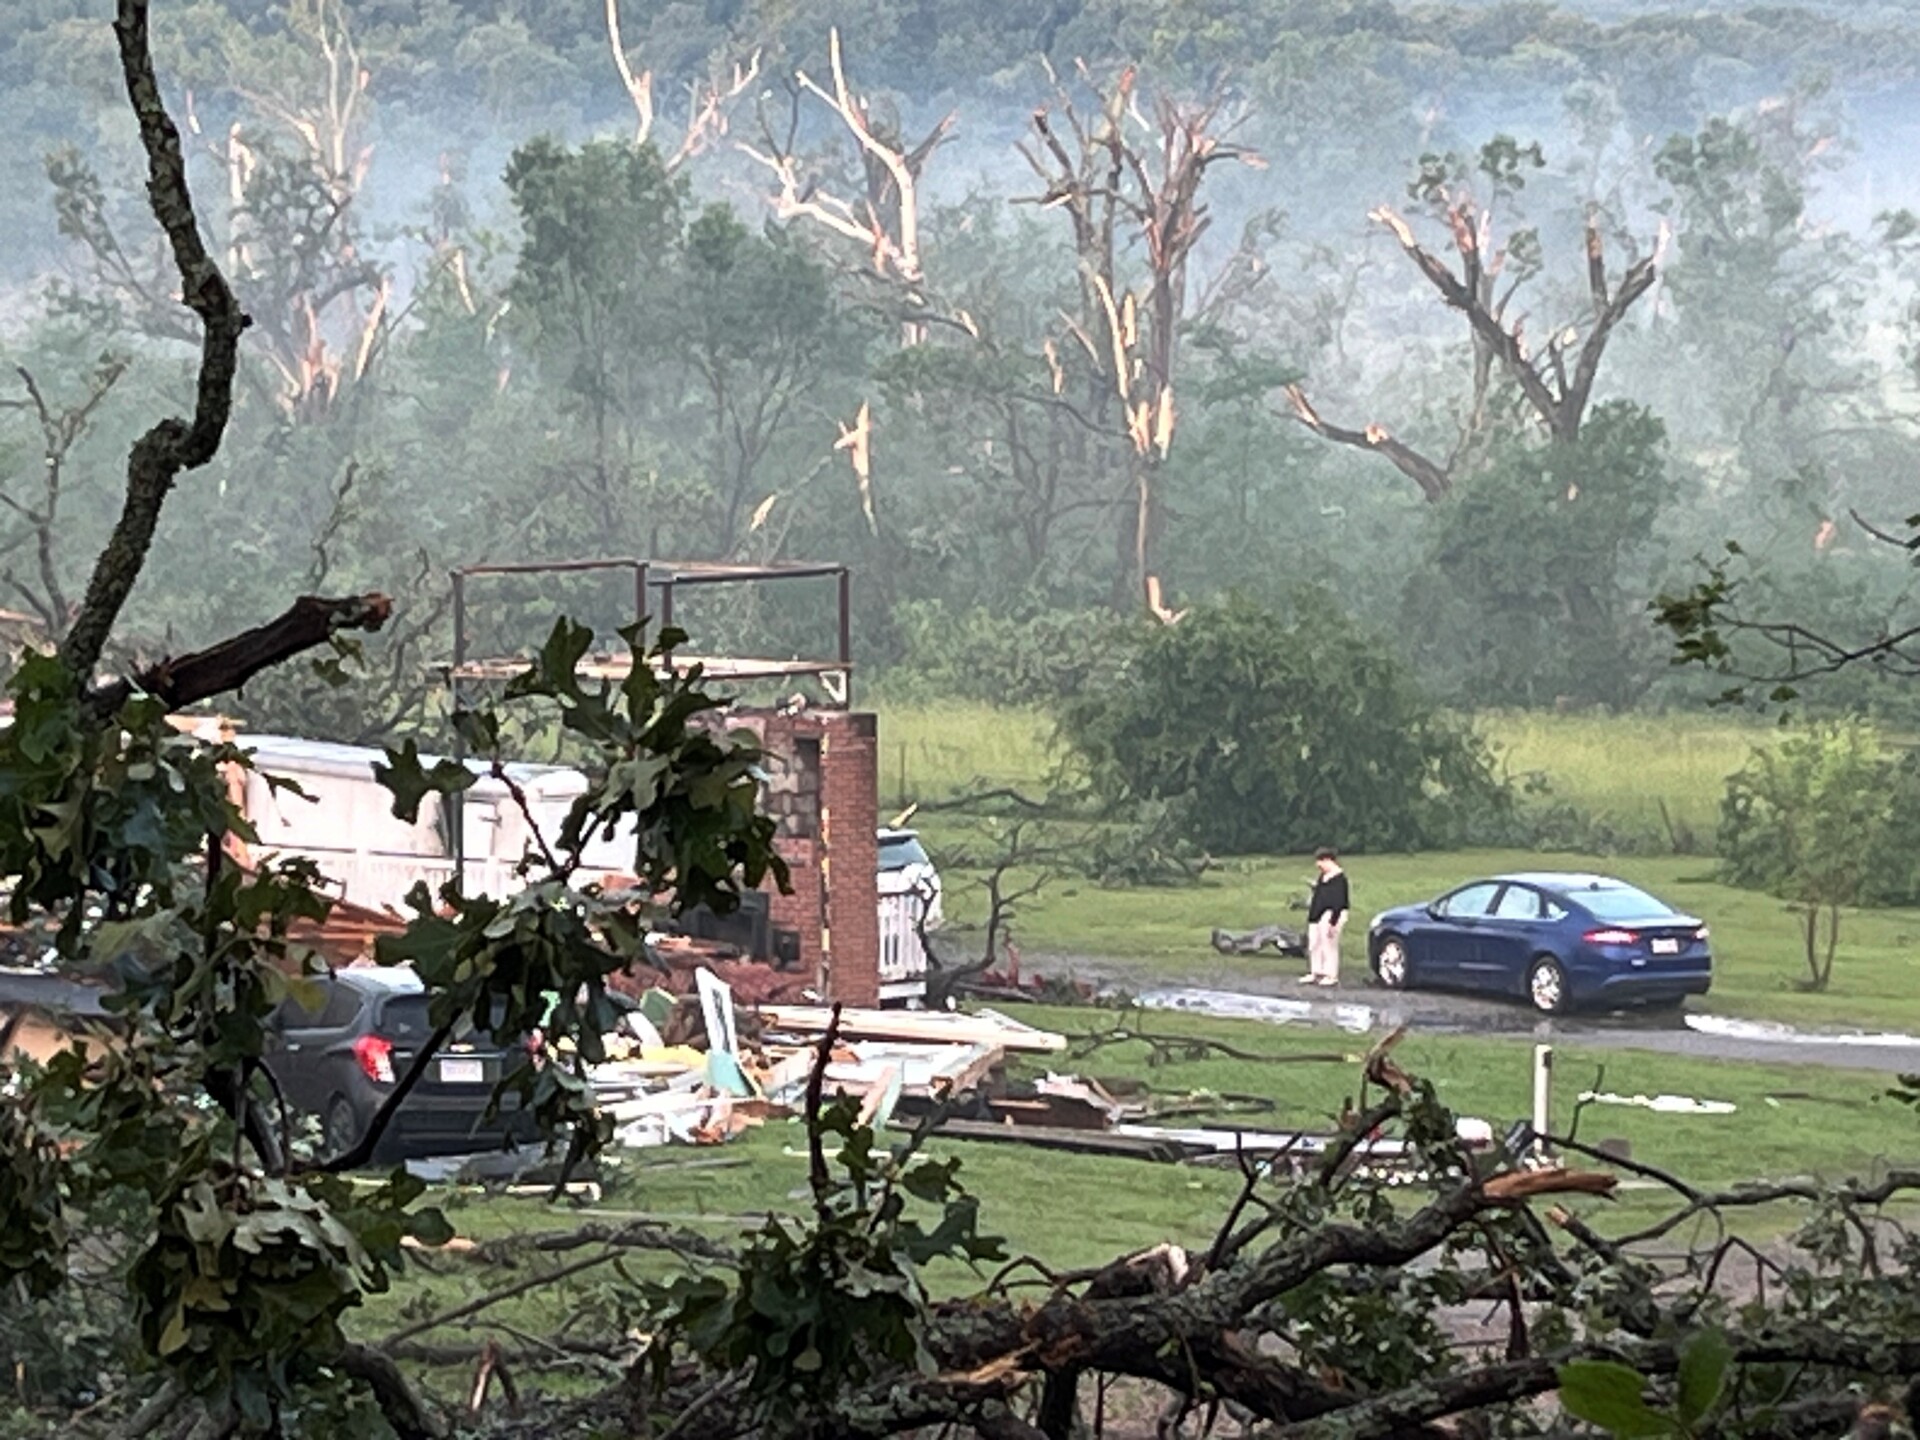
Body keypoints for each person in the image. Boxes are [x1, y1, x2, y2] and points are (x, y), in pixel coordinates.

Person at [1303, 847, 1349, 987]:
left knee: (1328, 944)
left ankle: (1331, 974)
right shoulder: (1323, 877)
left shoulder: (1339, 879)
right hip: (1318, 914)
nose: (1318, 866)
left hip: (1332, 914)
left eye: (1320, 862)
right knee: (1315, 944)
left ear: (1328, 860)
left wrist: (1333, 922)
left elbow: (1339, 902)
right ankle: (1316, 971)